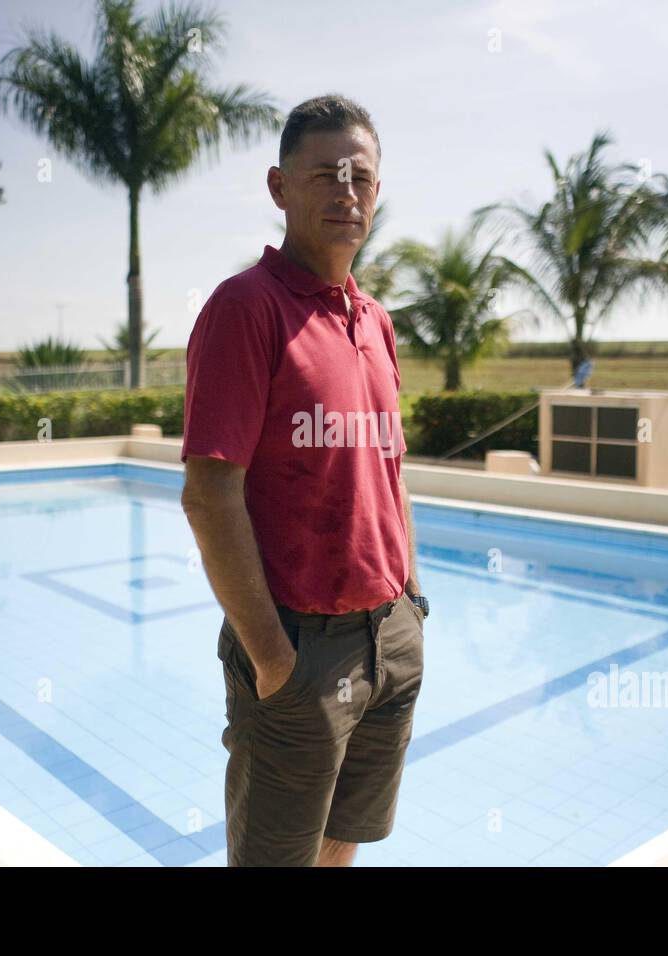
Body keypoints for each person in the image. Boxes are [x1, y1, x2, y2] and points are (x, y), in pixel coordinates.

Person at [180, 93, 428, 867]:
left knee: (343, 838)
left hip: (389, 637)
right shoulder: (245, 310)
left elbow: (392, 470)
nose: (346, 191)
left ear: (377, 194)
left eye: (361, 177)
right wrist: (272, 659)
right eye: (324, 175)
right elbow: (209, 492)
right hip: (299, 648)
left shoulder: (375, 319)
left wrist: (411, 603)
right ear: (279, 187)